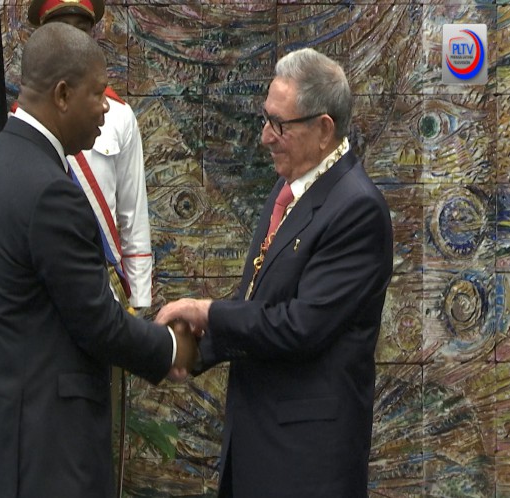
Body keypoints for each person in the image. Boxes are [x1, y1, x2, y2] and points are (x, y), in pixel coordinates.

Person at [0, 22, 196, 498]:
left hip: (0, 430)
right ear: (62, 94)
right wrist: (171, 349)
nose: (106, 106)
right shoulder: (49, 192)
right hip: (43, 448)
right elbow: (97, 321)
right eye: (97, 93)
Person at [156, 48, 394, 497]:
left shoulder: (357, 208)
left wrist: (206, 311)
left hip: (306, 463)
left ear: (324, 129)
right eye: (266, 119)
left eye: (279, 125)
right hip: (255, 448)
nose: (265, 137)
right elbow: (258, 309)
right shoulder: (288, 190)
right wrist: (184, 353)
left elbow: (299, 326)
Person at [27, 0, 153, 311]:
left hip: (102, 283)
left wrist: (138, 301)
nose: (72, 41)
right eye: (62, 30)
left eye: (81, 30)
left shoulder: (119, 116)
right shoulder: (24, 119)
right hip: (43, 286)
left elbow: (132, 216)